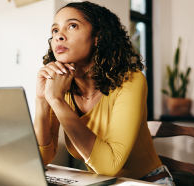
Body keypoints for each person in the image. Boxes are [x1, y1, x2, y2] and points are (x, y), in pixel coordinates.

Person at [33, 1, 175, 186]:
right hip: (102, 182)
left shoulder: (130, 80)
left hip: (148, 182)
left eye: (72, 26)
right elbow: (42, 158)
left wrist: (56, 100)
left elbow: (109, 165)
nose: (59, 36)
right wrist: (42, 99)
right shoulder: (61, 86)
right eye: (55, 30)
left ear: (98, 37)